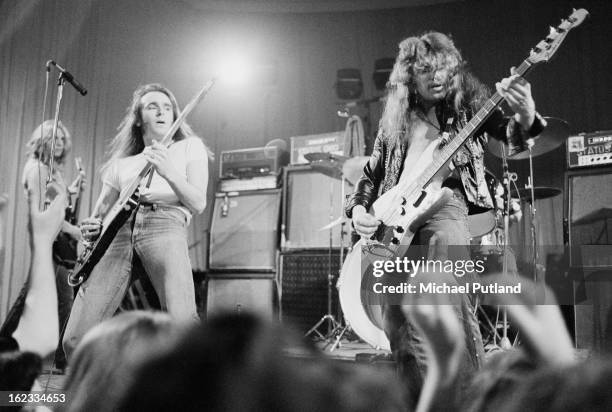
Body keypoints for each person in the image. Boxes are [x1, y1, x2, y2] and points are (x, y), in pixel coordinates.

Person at [345, 32, 547, 408]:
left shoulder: (471, 105)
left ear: (453, 70)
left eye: (442, 68)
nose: (435, 76)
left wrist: (527, 113)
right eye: (425, 69)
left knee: (443, 298)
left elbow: (509, 139)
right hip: (397, 220)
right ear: (409, 75)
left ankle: (470, 400)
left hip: (447, 206)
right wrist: (358, 210)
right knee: (398, 323)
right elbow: (371, 175)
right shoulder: (395, 121)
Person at [62, 83, 210, 359]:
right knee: (76, 339)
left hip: (165, 223)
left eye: (168, 107)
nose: (162, 111)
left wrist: (169, 172)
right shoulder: (121, 164)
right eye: (153, 106)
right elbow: (98, 215)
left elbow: (198, 202)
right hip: (118, 231)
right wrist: (91, 226)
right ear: (139, 118)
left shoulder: (190, 147)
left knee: (183, 329)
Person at [19, 120, 83, 371]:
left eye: (62, 140)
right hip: (49, 236)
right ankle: (61, 358)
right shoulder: (37, 169)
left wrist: (73, 189)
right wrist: (72, 230)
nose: (59, 144)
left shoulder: (50, 170)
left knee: (46, 295)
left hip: (56, 236)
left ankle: (59, 357)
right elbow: (43, 210)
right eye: (54, 139)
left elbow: (56, 203)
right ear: (42, 140)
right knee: (61, 297)